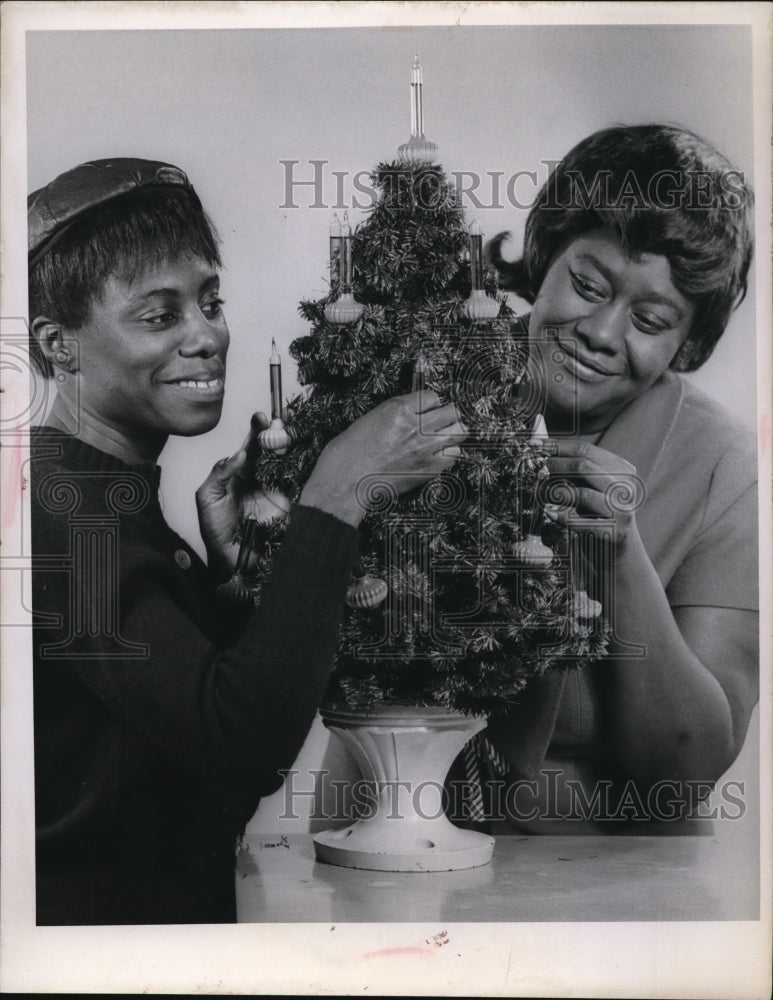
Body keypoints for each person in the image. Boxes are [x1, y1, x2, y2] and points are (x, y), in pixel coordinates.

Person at [28, 158, 466, 924]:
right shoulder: (71, 515)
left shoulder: (96, 491)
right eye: (158, 316)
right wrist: (336, 495)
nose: (206, 336)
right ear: (59, 345)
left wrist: (227, 593)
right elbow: (241, 745)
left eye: (209, 301)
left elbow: (192, 757)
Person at [481, 124, 758, 832]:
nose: (602, 333)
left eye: (650, 319)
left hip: (604, 877)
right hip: (378, 843)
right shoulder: (429, 380)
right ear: (542, 259)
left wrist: (617, 556)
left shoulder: (720, 462)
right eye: (586, 284)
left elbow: (686, 770)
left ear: (686, 341)